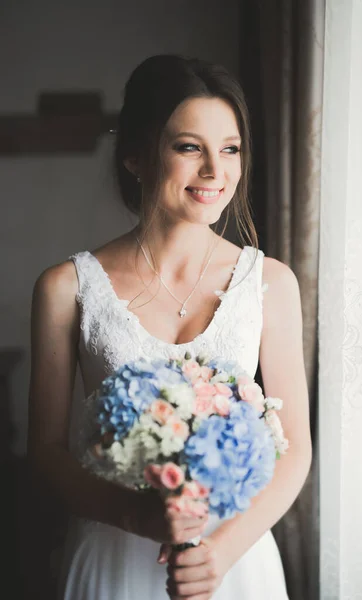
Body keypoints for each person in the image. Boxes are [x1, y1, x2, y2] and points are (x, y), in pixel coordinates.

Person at [28, 54, 312, 600]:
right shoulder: (65, 287)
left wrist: (222, 554)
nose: (215, 172)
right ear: (137, 155)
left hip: (235, 562)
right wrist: (137, 518)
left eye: (230, 149)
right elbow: (44, 451)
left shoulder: (270, 283)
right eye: (189, 147)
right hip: (112, 554)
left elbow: (295, 448)